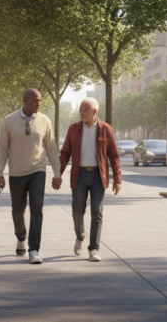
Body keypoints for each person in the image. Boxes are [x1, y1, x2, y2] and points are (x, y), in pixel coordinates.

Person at [0, 88, 62, 265]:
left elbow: (51, 148)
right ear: (25, 101)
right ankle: (21, 237)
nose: (38, 104)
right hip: (17, 172)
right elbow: (2, 148)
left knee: (37, 208)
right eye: (35, 101)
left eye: (40, 100)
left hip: (37, 171)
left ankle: (34, 249)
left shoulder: (45, 121)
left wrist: (56, 172)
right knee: (17, 210)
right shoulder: (9, 121)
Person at [59, 98, 122, 262]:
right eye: (80, 110)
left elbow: (114, 156)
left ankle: (93, 248)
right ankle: (80, 236)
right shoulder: (73, 129)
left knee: (97, 213)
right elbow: (65, 153)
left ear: (94, 112)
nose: (81, 113)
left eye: (85, 110)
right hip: (79, 175)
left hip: (98, 176)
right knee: (77, 211)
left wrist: (117, 179)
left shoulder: (105, 129)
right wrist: (58, 174)